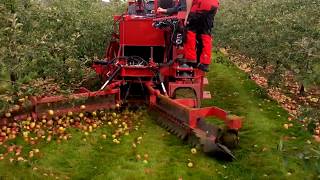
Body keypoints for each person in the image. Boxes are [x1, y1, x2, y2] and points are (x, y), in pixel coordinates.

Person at [184, 0, 219, 72]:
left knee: (190, 31)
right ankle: (205, 62)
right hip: (213, 6)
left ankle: (191, 59)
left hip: (201, 5)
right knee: (206, 34)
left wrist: (187, 14)